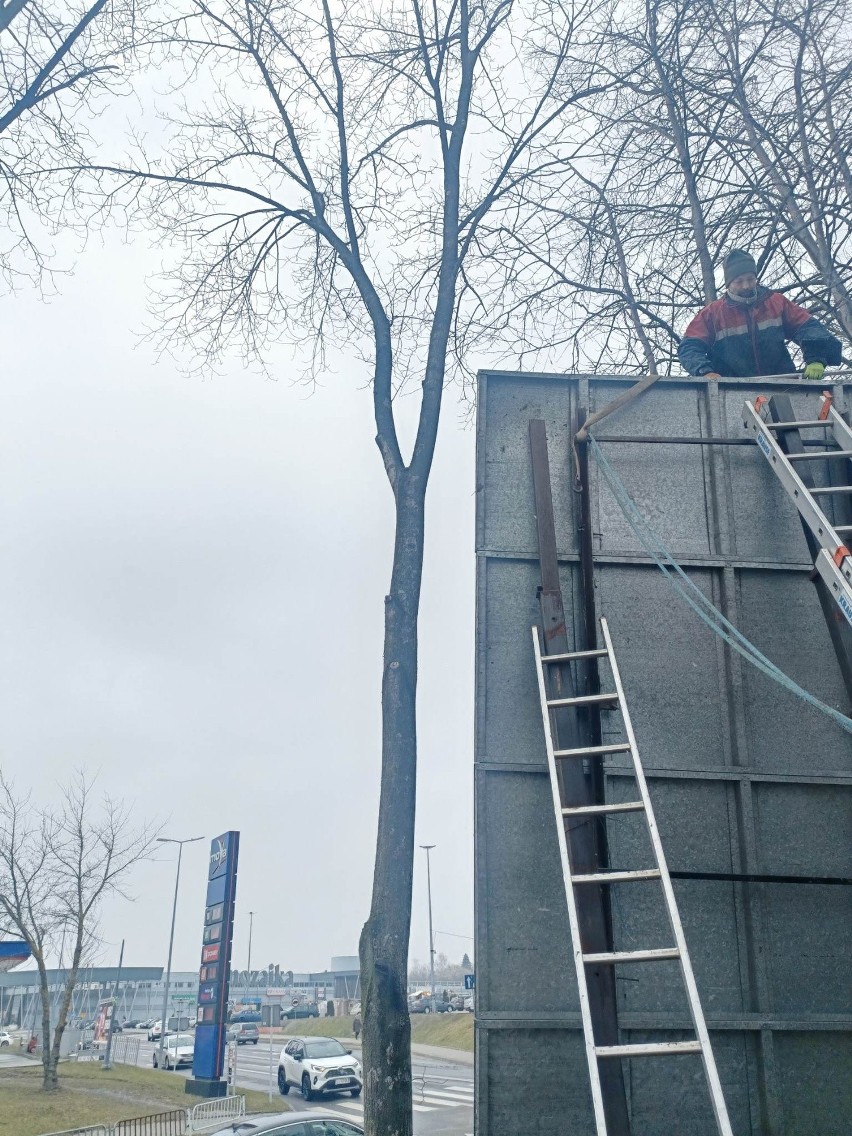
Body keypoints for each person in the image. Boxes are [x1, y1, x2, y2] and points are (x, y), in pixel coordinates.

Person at [678, 249, 842, 380]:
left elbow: (808, 327)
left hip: (782, 385)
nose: (746, 285)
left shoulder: (776, 302)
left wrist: (816, 358)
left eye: (750, 279)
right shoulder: (713, 314)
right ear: (728, 284)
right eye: (739, 281)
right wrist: (705, 372)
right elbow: (689, 347)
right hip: (732, 392)